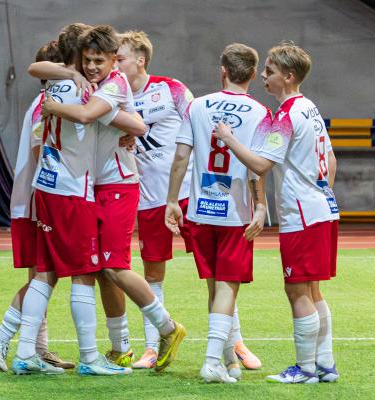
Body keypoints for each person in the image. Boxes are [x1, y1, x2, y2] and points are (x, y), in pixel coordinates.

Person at [39, 24, 186, 373]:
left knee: (114, 266)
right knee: (101, 270)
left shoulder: (114, 84)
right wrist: (72, 74)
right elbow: (36, 67)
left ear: (113, 61)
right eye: (87, 60)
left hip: (118, 184)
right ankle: (120, 348)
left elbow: (96, 116)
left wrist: (53, 106)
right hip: (95, 185)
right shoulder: (89, 80)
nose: (92, 66)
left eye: (99, 61)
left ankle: (168, 328)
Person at [114, 31, 262, 371]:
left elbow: (203, 128)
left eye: (120, 58)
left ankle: (234, 342)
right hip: (147, 197)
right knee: (153, 272)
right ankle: (153, 346)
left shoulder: (173, 90)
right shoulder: (113, 95)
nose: (114, 64)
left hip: (189, 195)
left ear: (140, 60)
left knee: (219, 273)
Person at [11, 23, 145, 376]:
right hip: (74, 190)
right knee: (84, 274)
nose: (92, 66)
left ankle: (24, 353)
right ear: (80, 56)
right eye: (89, 59)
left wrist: (129, 128)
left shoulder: (52, 86)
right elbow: (102, 117)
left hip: (47, 185)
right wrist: (130, 127)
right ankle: (89, 358)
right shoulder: (89, 91)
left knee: (44, 272)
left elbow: (35, 68)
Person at [213, 41, 339, 384]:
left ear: (289, 76)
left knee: (297, 290)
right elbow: (331, 160)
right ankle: (325, 365)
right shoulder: (310, 108)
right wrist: (319, 192)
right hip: (323, 210)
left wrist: (228, 138)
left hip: (302, 215)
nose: (263, 77)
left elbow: (260, 164)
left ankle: (305, 369)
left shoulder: (286, 114)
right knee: (312, 290)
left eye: (269, 71)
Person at [166, 43, 270, 383]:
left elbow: (180, 157)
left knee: (214, 288)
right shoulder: (260, 112)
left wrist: (171, 201)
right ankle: (212, 362)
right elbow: (257, 167)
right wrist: (260, 204)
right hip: (235, 213)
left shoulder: (197, 105)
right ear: (253, 73)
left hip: (200, 209)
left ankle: (228, 360)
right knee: (227, 288)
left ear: (222, 70)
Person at [0, 41, 74, 372]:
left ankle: (38, 349)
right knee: (44, 276)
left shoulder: (48, 101)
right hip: (40, 202)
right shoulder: (45, 104)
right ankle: (2, 336)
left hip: (36, 201)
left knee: (44, 276)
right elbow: (41, 151)